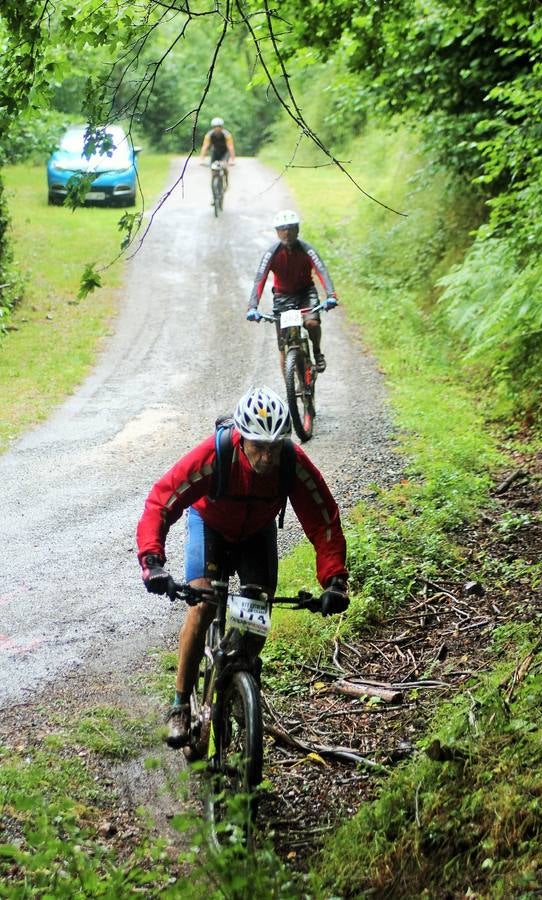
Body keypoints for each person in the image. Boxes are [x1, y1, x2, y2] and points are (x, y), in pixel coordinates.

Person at [136, 386, 349, 748]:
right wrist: (152, 561)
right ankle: (179, 706)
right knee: (203, 604)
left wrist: (334, 580)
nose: (267, 457)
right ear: (241, 439)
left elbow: (323, 517)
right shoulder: (215, 455)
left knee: (256, 609)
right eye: (258, 447)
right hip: (210, 526)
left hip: (256, 532)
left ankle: (239, 680)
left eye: (274, 447)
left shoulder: (291, 463)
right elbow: (162, 501)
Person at [246, 210, 339, 373]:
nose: (287, 232)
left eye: (291, 228)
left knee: (311, 323)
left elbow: (321, 270)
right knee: (283, 346)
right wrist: (252, 307)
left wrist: (331, 295)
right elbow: (259, 280)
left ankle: (317, 352)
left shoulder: (307, 249)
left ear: (297, 230)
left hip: (305, 294)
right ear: (277, 232)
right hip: (282, 297)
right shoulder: (271, 254)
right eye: (282, 229)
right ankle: (290, 390)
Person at [199, 117, 236, 186]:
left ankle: (226, 180)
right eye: (215, 127)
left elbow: (230, 147)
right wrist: (201, 159)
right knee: (213, 168)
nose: (217, 128)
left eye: (219, 126)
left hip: (225, 152)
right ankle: (213, 183)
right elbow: (205, 147)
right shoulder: (209, 135)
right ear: (213, 127)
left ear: (222, 127)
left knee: (224, 166)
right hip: (215, 152)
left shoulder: (227, 135)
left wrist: (232, 160)